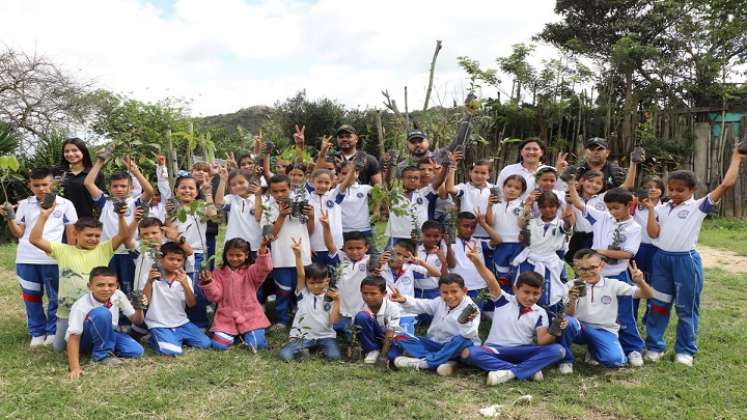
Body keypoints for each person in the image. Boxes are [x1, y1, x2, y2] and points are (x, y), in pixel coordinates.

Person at [643, 145, 745, 366]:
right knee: (658, 305)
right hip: (661, 259)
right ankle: (654, 346)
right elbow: (653, 233)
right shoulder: (662, 208)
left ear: (692, 191)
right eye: (671, 189)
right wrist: (651, 209)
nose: (674, 193)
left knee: (686, 308)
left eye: (680, 190)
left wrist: (736, 157)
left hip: (685, 261)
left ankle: (685, 351)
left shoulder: (698, 207)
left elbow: (727, 184)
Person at [29, 205, 134, 352]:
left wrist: (122, 216)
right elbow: (34, 239)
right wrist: (43, 216)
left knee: (95, 332)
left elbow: (123, 235)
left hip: (96, 312)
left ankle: (104, 341)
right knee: (59, 349)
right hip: (67, 313)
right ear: (75, 233)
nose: (93, 239)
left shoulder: (104, 249)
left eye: (97, 236)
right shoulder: (62, 250)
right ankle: (95, 340)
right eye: (89, 235)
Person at [567, 184, 644, 366]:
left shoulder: (634, 228)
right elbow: (579, 204)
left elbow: (627, 253)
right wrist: (571, 183)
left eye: (616, 208)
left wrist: (600, 251)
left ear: (629, 205)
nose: (612, 212)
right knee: (595, 313)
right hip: (595, 277)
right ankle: (595, 347)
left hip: (617, 276)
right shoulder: (602, 218)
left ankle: (633, 348)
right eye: (609, 208)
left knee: (624, 315)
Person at [3, 168, 78, 347]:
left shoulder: (65, 204)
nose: (41, 188)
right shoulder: (24, 205)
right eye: (36, 185)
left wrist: (71, 256)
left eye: (45, 184)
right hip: (26, 258)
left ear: (52, 183)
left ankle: (52, 331)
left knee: (55, 298)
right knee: (31, 297)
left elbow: (72, 235)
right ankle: (37, 332)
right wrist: (9, 218)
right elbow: (19, 234)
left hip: (52, 258)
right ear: (30, 185)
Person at [459, 261, 566, 385]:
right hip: (496, 349)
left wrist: (556, 330)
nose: (531, 297)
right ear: (515, 289)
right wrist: (476, 260)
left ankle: (508, 373)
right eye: (526, 292)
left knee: (558, 350)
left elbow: (542, 341)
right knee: (469, 353)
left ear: (541, 292)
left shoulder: (540, 312)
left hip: (523, 351)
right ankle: (527, 370)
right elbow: (490, 279)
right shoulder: (503, 299)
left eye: (536, 293)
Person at [558, 249, 653, 374]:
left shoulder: (612, 284)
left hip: (605, 330)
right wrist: (572, 299)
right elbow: (569, 315)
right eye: (582, 269)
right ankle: (566, 360)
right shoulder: (571, 286)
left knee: (616, 361)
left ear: (602, 265)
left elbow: (648, 294)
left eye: (592, 267)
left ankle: (594, 350)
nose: (588, 272)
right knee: (567, 322)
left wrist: (641, 282)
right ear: (575, 269)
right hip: (580, 328)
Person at [84, 150, 154, 301]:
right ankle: (112, 318)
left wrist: (134, 171)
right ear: (109, 188)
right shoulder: (105, 202)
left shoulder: (135, 202)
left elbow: (149, 191)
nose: (119, 189)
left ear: (130, 188)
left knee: (130, 287)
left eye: (123, 186)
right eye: (115, 186)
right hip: (108, 253)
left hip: (130, 252)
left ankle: (130, 319)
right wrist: (100, 161)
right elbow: (88, 183)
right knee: (109, 288)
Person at [387, 273, 481, 375]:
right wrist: (404, 300)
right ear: (439, 292)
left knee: (462, 339)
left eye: (454, 291)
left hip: (456, 347)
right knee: (400, 336)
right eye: (445, 292)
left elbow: (470, 334)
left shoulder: (471, 308)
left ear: (464, 291)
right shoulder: (440, 302)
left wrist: (466, 323)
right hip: (436, 344)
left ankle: (427, 363)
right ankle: (443, 360)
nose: (450, 296)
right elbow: (422, 305)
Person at [65, 267, 145, 379]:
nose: (106, 289)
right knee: (102, 313)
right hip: (85, 338)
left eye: (111, 285)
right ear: (90, 286)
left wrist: (139, 308)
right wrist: (75, 368)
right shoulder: (81, 305)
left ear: (117, 285)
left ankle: (103, 347)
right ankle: (101, 355)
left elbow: (137, 320)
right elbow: (73, 336)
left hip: (109, 332)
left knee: (137, 351)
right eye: (100, 285)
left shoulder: (118, 295)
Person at [260, 174, 313, 330]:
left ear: (291, 189)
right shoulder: (267, 209)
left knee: (302, 289)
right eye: (275, 191)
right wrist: (282, 215)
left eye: (284, 190)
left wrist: (312, 216)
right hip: (281, 257)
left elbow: (310, 230)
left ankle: (301, 319)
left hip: (302, 255)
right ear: (270, 191)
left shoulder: (301, 205)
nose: (280, 194)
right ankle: (282, 320)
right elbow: (270, 236)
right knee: (283, 290)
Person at [200, 238, 273, 351]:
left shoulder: (251, 270)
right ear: (225, 255)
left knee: (256, 345)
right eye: (231, 255)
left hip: (250, 315)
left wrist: (263, 249)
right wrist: (208, 282)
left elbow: (264, 268)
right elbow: (215, 296)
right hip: (226, 318)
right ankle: (238, 336)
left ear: (247, 255)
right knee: (219, 345)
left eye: (238, 255)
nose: (234, 258)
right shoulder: (218, 272)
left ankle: (248, 335)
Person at [278, 238, 341, 361]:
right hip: (302, 336)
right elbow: (301, 274)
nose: (316, 286)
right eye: (312, 283)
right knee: (284, 356)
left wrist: (338, 301)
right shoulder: (304, 293)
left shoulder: (331, 296)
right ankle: (304, 350)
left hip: (325, 336)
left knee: (335, 357)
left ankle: (316, 350)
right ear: (306, 282)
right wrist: (298, 255)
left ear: (327, 281)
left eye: (320, 282)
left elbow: (333, 321)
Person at [168, 175, 219, 328]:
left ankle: (200, 322)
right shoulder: (173, 208)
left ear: (197, 192)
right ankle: (180, 319)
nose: (187, 191)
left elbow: (213, 215)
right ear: (176, 191)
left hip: (197, 253)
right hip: (177, 254)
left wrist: (209, 194)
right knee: (177, 285)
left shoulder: (200, 206)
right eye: (183, 187)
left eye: (191, 188)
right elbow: (169, 229)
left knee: (196, 286)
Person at [144, 242, 212, 356]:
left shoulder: (184, 279)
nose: (175, 262)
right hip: (159, 324)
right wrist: (149, 282)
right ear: (161, 258)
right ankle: (156, 338)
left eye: (179, 260)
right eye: (171, 259)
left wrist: (185, 284)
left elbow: (191, 304)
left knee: (205, 343)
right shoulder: (152, 277)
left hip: (181, 323)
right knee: (172, 352)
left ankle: (173, 338)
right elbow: (145, 301)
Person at [512, 192, 574, 313]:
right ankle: (523, 313)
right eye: (544, 207)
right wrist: (528, 204)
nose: (548, 209)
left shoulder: (561, 224)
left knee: (547, 291)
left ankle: (547, 315)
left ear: (557, 207)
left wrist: (568, 213)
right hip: (529, 262)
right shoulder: (532, 223)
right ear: (539, 208)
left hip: (549, 262)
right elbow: (521, 223)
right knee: (526, 287)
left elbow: (567, 226)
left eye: (551, 206)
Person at [378, 239, 441, 334]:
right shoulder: (381, 266)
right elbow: (371, 276)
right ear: (390, 251)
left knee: (403, 341)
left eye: (405, 257)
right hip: (383, 312)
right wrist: (380, 264)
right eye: (398, 254)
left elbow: (437, 274)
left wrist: (421, 263)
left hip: (405, 312)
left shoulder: (410, 268)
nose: (400, 259)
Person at [484, 174, 527, 293]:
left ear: (522, 192)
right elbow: (490, 221)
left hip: (518, 245)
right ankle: (504, 301)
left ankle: (517, 301)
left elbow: (524, 224)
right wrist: (489, 206)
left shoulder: (523, 204)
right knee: (502, 275)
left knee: (517, 275)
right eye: (509, 186)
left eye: (517, 188)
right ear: (503, 187)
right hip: (500, 244)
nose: (512, 190)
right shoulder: (497, 203)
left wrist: (527, 207)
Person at [353, 275, 401, 364]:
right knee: (361, 316)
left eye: (373, 293)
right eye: (365, 293)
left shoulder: (393, 308)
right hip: (370, 339)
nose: (368, 297)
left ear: (384, 293)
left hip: (389, 339)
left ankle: (380, 352)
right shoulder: (358, 306)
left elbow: (390, 334)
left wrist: (383, 355)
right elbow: (356, 331)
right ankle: (372, 350)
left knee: (391, 358)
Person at [59, 137, 104, 219]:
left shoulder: (95, 173)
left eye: (75, 150)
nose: (70, 154)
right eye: (66, 151)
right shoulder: (59, 173)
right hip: (62, 222)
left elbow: (102, 201)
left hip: (88, 223)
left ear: (83, 151)